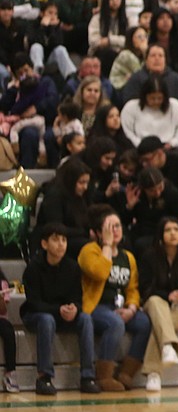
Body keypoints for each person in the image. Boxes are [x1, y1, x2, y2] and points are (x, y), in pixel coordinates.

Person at [22, 222, 101, 395]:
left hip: (62, 314)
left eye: (64, 240)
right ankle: (44, 377)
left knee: (86, 318)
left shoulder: (72, 267)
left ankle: (87, 376)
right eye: (55, 240)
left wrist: (75, 309)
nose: (61, 244)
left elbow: (78, 299)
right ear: (44, 244)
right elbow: (34, 303)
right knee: (46, 319)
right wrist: (58, 310)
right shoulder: (33, 268)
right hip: (36, 315)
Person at [79, 205, 151, 391]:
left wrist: (132, 309)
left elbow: (133, 289)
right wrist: (107, 246)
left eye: (118, 226)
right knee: (115, 323)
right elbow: (100, 273)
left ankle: (126, 374)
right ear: (97, 232)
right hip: (96, 306)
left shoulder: (128, 257)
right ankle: (103, 376)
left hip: (120, 306)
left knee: (144, 323)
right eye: (109, 227)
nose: (115, 231)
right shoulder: (89, 251)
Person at [137, 217, 178, 392]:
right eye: (168, 230)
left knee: (159, 326)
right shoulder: (150, 257)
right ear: (160, 235)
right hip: (157, 304)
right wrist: (168, 295)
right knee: (156, 303)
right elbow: (144, 289)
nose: (173, 233)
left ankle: (154, 373)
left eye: (176, 229)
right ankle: (167, 347)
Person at [35, 156, 94, 258]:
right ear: (71, 181)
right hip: (57, 239)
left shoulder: (82, 194)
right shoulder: (54, 196)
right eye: (81, 182)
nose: (85, 187)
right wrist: (85, 232)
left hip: (77, 236)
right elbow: (56, 228)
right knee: (89, 246)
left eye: (87, 182)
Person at [120, 75, 178, 150]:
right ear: (144, 96)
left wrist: (172, 143)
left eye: (159, 98)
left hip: (170, 148)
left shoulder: (175, 105)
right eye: (152, 98)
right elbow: (128, 132)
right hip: (140, 148)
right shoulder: (131, 107)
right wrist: (141, 145)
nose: (156, 102)